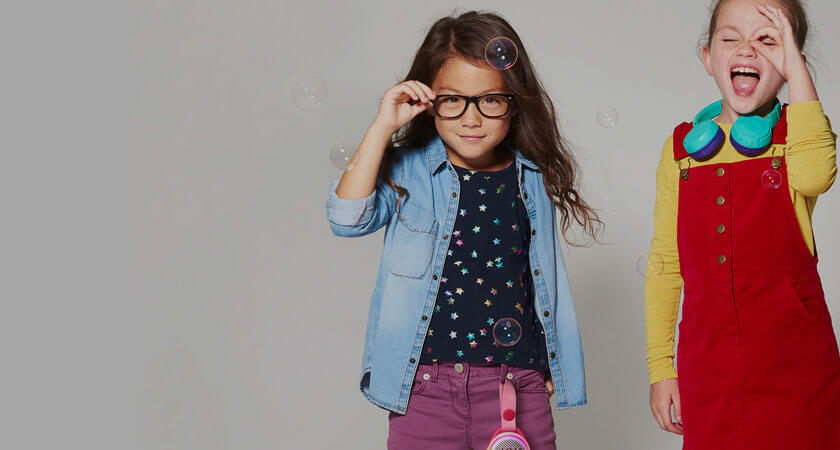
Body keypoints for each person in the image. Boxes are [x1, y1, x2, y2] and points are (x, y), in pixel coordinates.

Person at [325, 11, 601, 450]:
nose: (471, 118)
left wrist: (546, 365)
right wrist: (382, 127)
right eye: (453, 100)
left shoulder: (531, 179)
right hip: (423, 391)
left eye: (490, 99)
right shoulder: (408, 169)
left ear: (514, 101)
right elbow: (346, 218)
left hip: (515, 388)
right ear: (428, 100)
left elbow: (538, 282)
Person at [644, 1, 840, 448]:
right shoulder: (680, 152)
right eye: (730, 39)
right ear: (708, 56)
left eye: (768, 41)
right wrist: (661, 368)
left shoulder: (796, 137)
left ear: (791, 62)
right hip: (707, 365)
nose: (747, 49)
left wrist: (798, 72)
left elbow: (817, 176)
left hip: (797, 367)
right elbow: (665, 263)